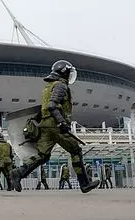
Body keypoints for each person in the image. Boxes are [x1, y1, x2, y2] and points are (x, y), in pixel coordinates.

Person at [10, 60, 100, 193]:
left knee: (43, 155)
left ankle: (18, 173)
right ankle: (84, 184)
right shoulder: (60, 86)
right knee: (75, 151)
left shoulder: (48, 87)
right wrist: (61, 122)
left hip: (45, 125)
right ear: (64, 73)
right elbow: (52, 105)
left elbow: (45, 108)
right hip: (55, 125)